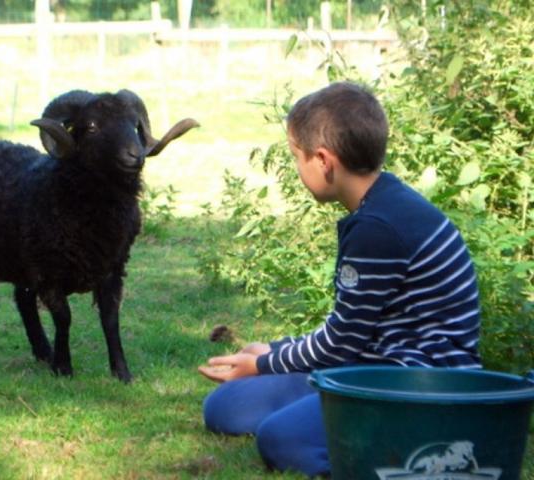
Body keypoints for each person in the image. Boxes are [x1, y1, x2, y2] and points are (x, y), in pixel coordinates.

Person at [197, 81, 481, 477]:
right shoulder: (382, 202)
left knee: (280, 439)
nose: (297, 169)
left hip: (418, 386)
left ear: (324, 161)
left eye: (297, 157)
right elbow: (350, 329)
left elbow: (342, 341)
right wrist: (273, 352)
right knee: (225, 407)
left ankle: (402, 456)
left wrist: (265, 364)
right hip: (369, 366)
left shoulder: (377, 228)